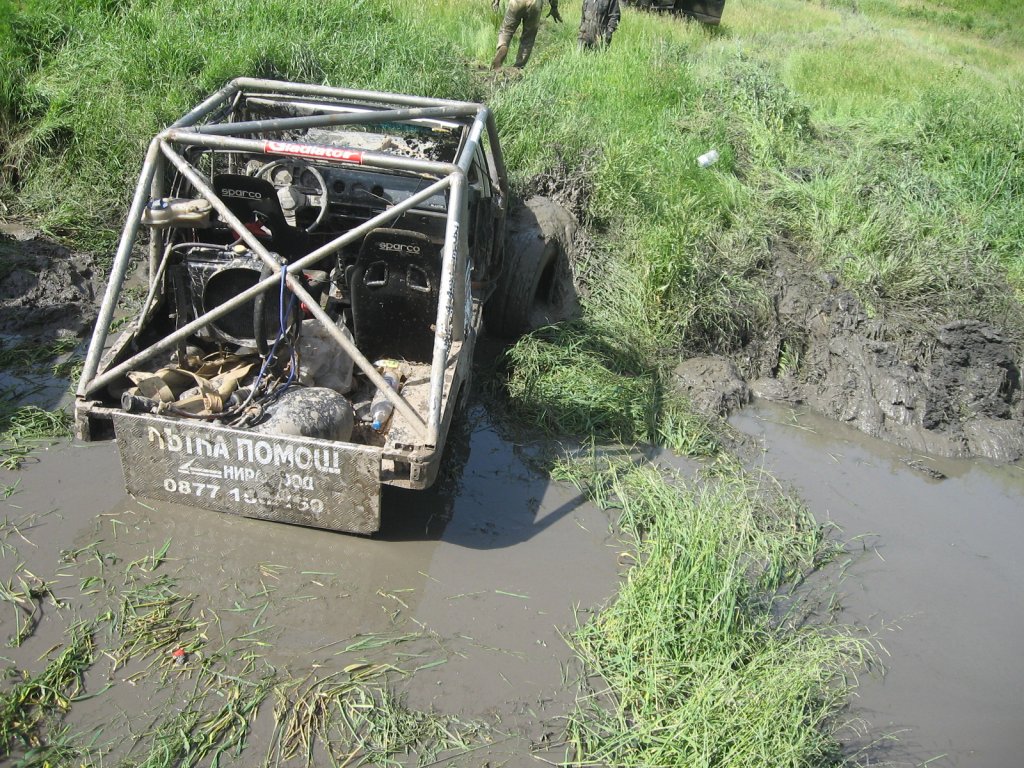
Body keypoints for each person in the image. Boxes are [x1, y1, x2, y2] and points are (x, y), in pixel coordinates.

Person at [492, 0, 563, 70]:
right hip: (535, 4)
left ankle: (503, 46)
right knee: (528, 38)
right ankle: (518, 67)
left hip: (516, 3)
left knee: (506, 30)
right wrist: (554, 7)